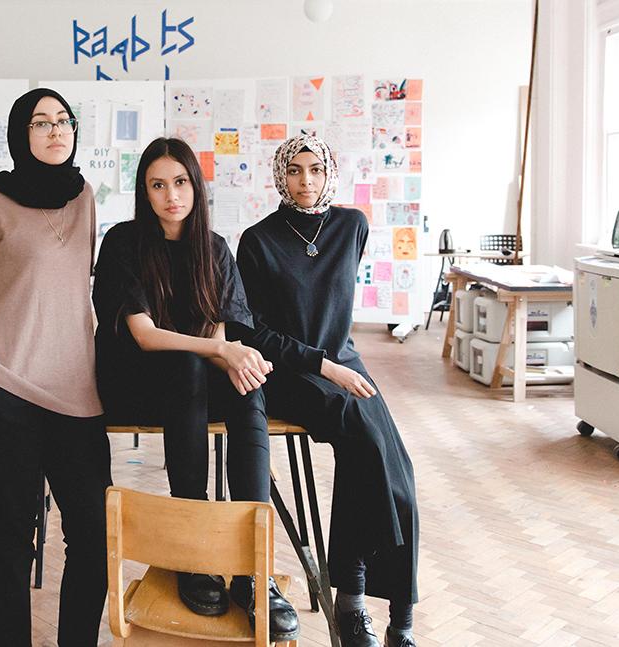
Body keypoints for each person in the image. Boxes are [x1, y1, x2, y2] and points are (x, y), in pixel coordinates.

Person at [92, 137, 300, 642]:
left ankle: (253, 570)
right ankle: (194, 551)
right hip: (134, 379)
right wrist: (219, 352)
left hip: (191, 380)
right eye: (158, 185)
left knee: (247, 386)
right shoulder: (123, 242)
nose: (171, 196)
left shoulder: (212, 247)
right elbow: (144, 335)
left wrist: (228, 355)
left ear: (195, 186)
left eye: (180, 182)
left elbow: (219, 327)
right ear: (144, 191)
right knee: (193, 365)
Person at [0, 87, 110, 646]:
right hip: (4, 390)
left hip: (77, 396)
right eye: (41, 123)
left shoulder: (84, 195)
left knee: (92, 536)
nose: (56, 131)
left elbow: (78, 290)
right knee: (12, 541)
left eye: (64, 121)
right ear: (20, 134)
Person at [235, 134, 420, 647]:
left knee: (399, 468)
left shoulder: (351, 226)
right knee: (366, 443)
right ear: (280, 175)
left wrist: (338, 363)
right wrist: (323, 366)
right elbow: (253, 332)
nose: (305, 181)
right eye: (294, 171)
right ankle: (353, 600)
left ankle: (400, 621)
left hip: (344, 363)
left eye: (315, 170)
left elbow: (335, 313)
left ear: (329, 173)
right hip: (294, 373)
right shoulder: (258, 240)